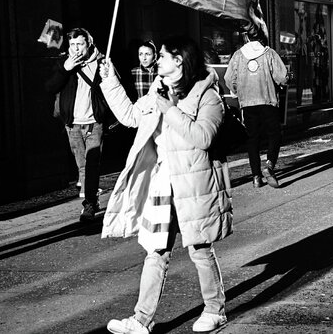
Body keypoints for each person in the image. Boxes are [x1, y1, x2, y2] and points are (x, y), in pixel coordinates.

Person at [99, 35, 233, 334]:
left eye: (162, 56)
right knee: (155, 251)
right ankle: (141, 319)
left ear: (179, 61)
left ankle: (215, 310)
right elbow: (131, 116)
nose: (157, 60)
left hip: (194, 184)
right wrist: (109, 81)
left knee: (199, 248)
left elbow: (203, 138)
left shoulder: (207, 96)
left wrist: (169, 108)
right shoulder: (159, 91)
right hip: (163, 185)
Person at [45, 27, 114, 222]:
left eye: (80, 44)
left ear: (89, 44)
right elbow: (49, 87)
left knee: (92, 164)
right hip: (73, 123)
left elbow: (113, 88)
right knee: (81, 165)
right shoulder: (64, 63)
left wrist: (108, 74)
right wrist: (64, 69)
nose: (76, 49)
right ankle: (92, 199)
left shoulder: (102, 62)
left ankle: (89, 204)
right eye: (72, 45)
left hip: (94, 122)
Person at [224, 32, 288, 188]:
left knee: (252, 139)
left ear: (246, 38)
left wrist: (239, 92)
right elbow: (282, 77)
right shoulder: (269, 53)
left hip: (247, 103)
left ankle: (256, 177)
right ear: (262, 39)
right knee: (274, 134)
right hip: (267, 101)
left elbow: (228, 79)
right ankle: (269, 165)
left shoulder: (238, 55)